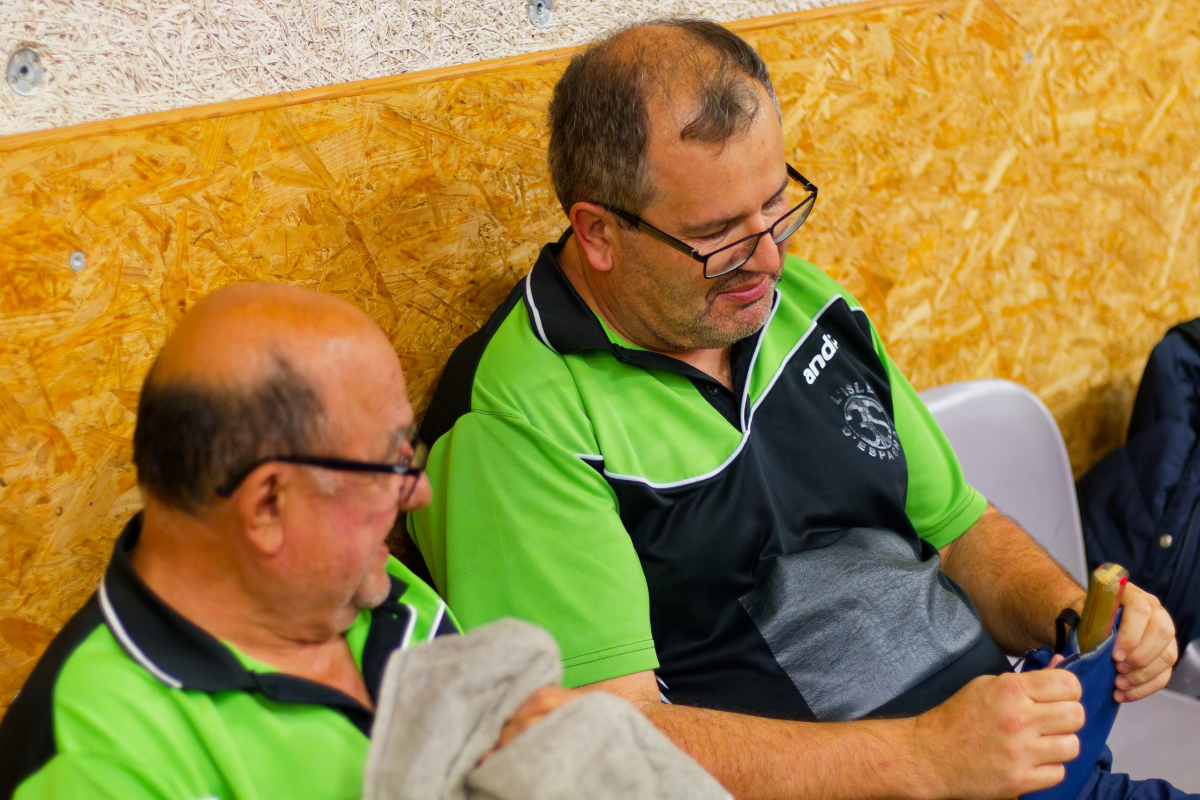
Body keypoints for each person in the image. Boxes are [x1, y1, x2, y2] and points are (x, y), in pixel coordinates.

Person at [409, 18, 1187, 800]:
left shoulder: (800, 305)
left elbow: (960, 534)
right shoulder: (515, 422)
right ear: (599, 232)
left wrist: (1075, 615)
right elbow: (596, 746)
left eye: (777, 207)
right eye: (718, 235)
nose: (770, 259)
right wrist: (925, 757)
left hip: (1029, 769)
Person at [0, 284, 572, 800]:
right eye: (390, 464)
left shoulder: (369, 584)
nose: (418, 492)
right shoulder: (98, 759)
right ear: (269, 505)